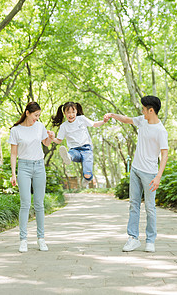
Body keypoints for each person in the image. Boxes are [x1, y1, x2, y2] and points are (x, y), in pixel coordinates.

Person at [105, 96, 168, 253]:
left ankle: (150, 240)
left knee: (150, 207)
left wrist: (158, 176)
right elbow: (126, 119)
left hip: (150, 174)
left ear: (151, 110)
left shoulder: (161, 131)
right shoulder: (142, 120)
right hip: (135, 170)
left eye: (143, 109)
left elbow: (164, 154)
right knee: (134, 205)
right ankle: (133, 238)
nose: (142, 111)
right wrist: (112, 115)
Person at [8, 102, 54, 253]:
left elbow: (45, 144)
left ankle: (41, 239)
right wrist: (13, 173)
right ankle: (23, 240)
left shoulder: (39, 126)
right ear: (27, 113)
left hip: (39, 166)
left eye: (39, 115)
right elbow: (13, 154)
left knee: (39, 204)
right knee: (25, 203)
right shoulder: (16, 130)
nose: (37, 118)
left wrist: (50, 138)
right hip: (24, 167)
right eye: (35, 115)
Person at [50, 101, 108, 188]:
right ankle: (68, 157)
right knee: (71, 154)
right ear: (64, 113)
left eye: (73, 112)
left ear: (76, 112)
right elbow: (59, 140)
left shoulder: (81, 119)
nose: (71, 114)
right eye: (68, 112)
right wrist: (52, 138)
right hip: (74, 150)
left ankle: (86, 178)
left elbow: (94, 124)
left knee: (88, 172)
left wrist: (104, 121)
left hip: (86, 149)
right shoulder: (64, 126)